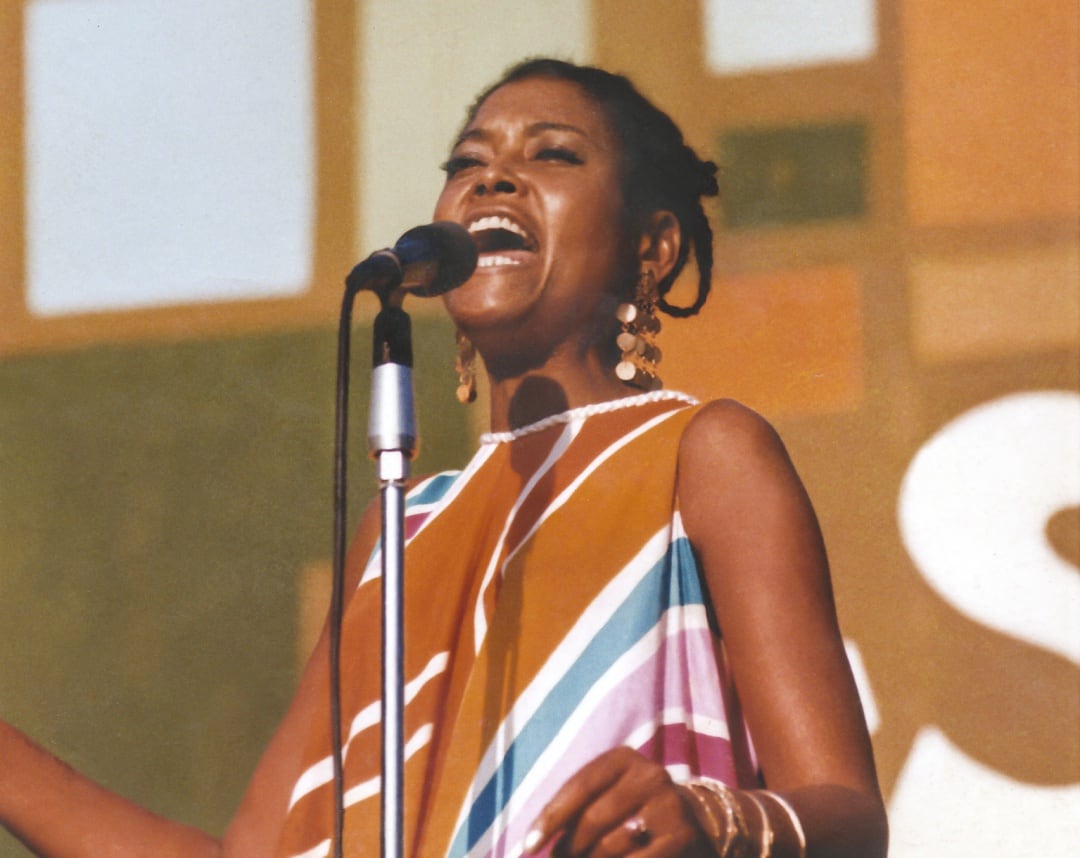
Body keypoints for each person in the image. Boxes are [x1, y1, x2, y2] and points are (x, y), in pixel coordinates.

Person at [0, 59, 887, 857]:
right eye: (467, 162)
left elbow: (849, 815)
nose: (493, 174)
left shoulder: (701, 455)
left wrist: (714, 820)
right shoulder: (400, 528)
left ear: (648, 245)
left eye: (554, 155)